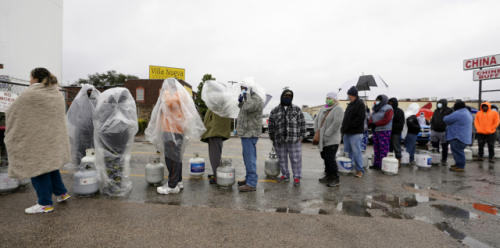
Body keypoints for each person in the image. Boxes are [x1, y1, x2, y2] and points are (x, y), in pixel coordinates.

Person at [5, 68, 71, 213]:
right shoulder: (56, 93)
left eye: (30, 78)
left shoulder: (31, 93)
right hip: (53, 137)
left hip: (37, 138)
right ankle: (62, 193)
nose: (29, 81)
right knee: (51, 165)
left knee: (37, 167)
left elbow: (12, 111)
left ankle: (45, 203)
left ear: (35, 79)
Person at [146, 78, 206, 194]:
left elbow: (169, 103)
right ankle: (177, 181)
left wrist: (166, 92)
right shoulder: (178, 94)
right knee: (176, 157)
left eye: (167, 86)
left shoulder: (178, 94)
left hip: (173, 131)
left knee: (172, 158)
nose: (165, 88)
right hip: (172, 130)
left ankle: (172, 185)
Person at [93, 88, 138, 196]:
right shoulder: (126, 108)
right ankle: (117, 184)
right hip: (122, 139)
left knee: (109, 162)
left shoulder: (105, 107)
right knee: (120, 161)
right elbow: (131, 123)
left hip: (108, 139)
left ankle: (111, 185)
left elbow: (97, 119)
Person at [269, 89, 306, 187]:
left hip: (294, 140)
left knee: (296, 159)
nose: (287, 98)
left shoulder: (297, 109)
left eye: (289, 97)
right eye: (285, 96)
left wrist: (302, 137)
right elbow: (271, 126)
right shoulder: (274, 110)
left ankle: (297, 177)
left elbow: (302, 123)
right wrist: (273, 138)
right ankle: (285, 175)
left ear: (292, 98)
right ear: (281, 97)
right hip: (279, 140)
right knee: (282, 159)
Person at [236, 78, 264, 192]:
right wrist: (241, 101)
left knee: (250, 158)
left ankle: (252, 183)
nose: (242, 90)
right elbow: (244, 108)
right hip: (246, 132)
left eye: (244, 88)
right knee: (247, 157)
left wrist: (246, 96)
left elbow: (249, 107)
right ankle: (248, 179)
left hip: (250, 132)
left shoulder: (256, 98)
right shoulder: (250, 98)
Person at [66, 84, 100, 168]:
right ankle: (80, 168)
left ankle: (93, 168)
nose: (90, 93)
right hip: (81, 132)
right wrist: (80, 124)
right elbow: (71, 116)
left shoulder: (97, 101)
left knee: (94, 150)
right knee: (81, 150)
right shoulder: (78, 101)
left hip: (94, 131)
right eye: (88, 91)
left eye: (91, 91)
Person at [314, 92, 344, 187]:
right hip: (322, 138)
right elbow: (316, 120)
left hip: (332, 139)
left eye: (330, 98)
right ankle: (328, 174)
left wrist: (327, 133)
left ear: (335, 99)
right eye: (327, 98)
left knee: (330, 158)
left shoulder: (338, 108)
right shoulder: (323, 108)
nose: (328, 99)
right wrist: (317, 131)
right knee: (324, 157)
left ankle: (335, 178)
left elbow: (337, 123)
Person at [201, 108, 232, 184]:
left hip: (215, 129)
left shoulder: (217, 100)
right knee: (216, 152)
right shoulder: (220, 100)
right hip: (216, 129)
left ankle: (217, 175)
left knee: (214, 154)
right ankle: (216, 173)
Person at [341, 86, 366, 178]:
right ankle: (348, 167)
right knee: (347, 152)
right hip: (347, 133)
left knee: (357, 152)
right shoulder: (350, 105)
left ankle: (360, 170)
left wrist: (349, 126)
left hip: (355, 133)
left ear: (351, 95)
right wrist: (343, 128)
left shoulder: (360, 104)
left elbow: (360, 119)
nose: (347, 96)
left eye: (348, 94)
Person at [444, 101, 472, 172]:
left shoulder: (458, 113)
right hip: (464, 137)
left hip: (458, 137)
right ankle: (458, 163)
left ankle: (460, 166)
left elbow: (446, 119)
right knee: (458, 151)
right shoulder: (467, 112)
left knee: (458, 152)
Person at [368, 95, 394, 170]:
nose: (377, 100)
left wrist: (375, 124)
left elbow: (387, 120)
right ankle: (376, 163)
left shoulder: (388, 108)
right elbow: (372, 117)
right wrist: (370, 122)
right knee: (376, 148)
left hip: (384, 130)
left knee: (384, 148)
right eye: (377, 99)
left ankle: (382, 164)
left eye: (379, 99)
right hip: (376, 130)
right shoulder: (375, 108)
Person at [430, 99, 453, 166]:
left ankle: (444, 160)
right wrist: (432, 125)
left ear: (444, 104)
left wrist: (444, 125)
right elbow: (433, 119)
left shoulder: (449, 110)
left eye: (440, 103)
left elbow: (450, 120)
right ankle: (435, 160)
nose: (439, 104)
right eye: (438, 103)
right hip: (434, 131)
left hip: (443, 132)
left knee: (444, 146)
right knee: (434, 147)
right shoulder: (436, 111)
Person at [388, 98, 404, 167]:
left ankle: (398, 162)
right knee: (389, 148)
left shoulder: (399, 111)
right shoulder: (388, 110)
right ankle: (389, 161)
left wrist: (391, 127)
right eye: (389, 102)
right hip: (388, 132)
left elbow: (400, 123)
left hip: (396, 133)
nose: (390, 103)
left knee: (397, 148)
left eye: (392, 102)